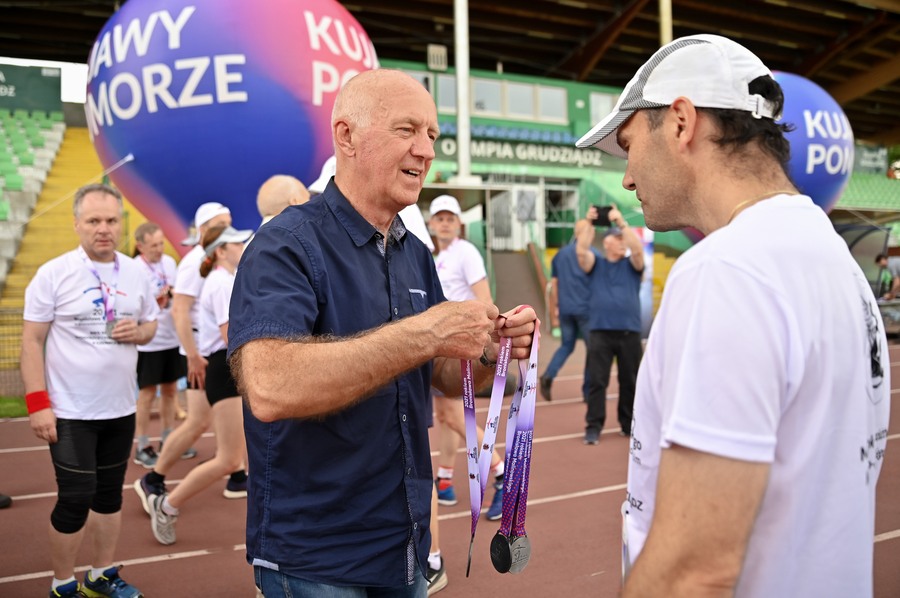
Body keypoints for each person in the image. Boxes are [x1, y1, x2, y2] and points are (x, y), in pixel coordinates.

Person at [576, 34, 891, 596]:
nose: (626, 177)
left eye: (629, 147)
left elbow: (694, 571)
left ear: (679, 122)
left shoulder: (729, 270)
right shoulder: (830, 255)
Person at [227, 68, 538, 597]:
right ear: (346, 136)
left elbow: (440, 373)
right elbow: (271, 387)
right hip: (317, 557)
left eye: (433, 135)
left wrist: (489, 353)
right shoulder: (285, 245)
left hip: (405, 545)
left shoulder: (414, 253)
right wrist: (426, 332)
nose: (425, 150)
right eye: (406, 130)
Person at [21, 183, 159, 598]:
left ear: (121, 224)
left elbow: (151, 324)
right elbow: (31, 342)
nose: (103, 229)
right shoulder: (53, 273)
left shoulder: (137, 272)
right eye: (94, 220)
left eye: (111, 220)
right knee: (75, 498)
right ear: (77, 223)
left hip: (119, 408)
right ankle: (62, 585)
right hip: (69, 412)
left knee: (108, 496)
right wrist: (37, 404)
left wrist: (140, 331)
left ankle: (100, 576)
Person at [134, 202, 245, 514]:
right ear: (209, 229)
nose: (228, 225)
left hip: (208, 350)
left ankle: (236, 475)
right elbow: (180, 310)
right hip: (204, 353)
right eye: (223, 222)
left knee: (205, 421)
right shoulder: (196, 263)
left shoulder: (210, 265)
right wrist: (193, 356)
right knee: (199, 422)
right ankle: (156, 481)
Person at [149, 224, 252, 545]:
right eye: (235, 243)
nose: (242, 247)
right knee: (229, 459)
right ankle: (167, 505)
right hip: (224, 368)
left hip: (224, 367)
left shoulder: (223, 280)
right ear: (220, 251)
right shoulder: (220, 283)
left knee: (238, 453)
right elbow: (229, 336)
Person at [428, 194, 505, 518]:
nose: (445, 223)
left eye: (450, 218)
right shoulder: (430, 254)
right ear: (431, 223)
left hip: (457, 346)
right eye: (439, 218)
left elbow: (485, 300)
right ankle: (445, 480)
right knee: (448, 418)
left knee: (454, 417)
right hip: (439, 344)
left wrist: (483, 345)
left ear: (459, 223)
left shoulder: (466, 252)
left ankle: (502, 474)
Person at [575, 206, 644, 444]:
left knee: (630, 381)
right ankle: (593, 427)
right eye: (617, 238)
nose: (622, 241)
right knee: (597, 382)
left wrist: (622, 223)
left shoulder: (633, 265)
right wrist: (590, 223)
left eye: (623, 238)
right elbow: (582, 250)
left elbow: (637, 251)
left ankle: (628, 424)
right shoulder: (597, 264)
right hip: (600, 331)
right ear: (606, 243)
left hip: (629, 331)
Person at [132, 222, 187, 468]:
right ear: (140, 246)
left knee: (170, 391)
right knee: (146, 394)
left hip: (171, 338)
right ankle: (142, 445)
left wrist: (171, 293)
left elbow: (176, 291)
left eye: (161, 243)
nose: (159, 249)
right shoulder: (134, 269)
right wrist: (156, 299)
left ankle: (168, 439)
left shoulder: (170, 263)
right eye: (153, 245)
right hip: (148, 343)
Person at [539, 219, 595, 402]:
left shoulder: (560, 255)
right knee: (592, 350)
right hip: (586, 309)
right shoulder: (592, 254)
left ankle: (548, 374)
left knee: (566, 345)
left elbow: (554, 284)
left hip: (566, 308)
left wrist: (555, 308)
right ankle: (588, 391)